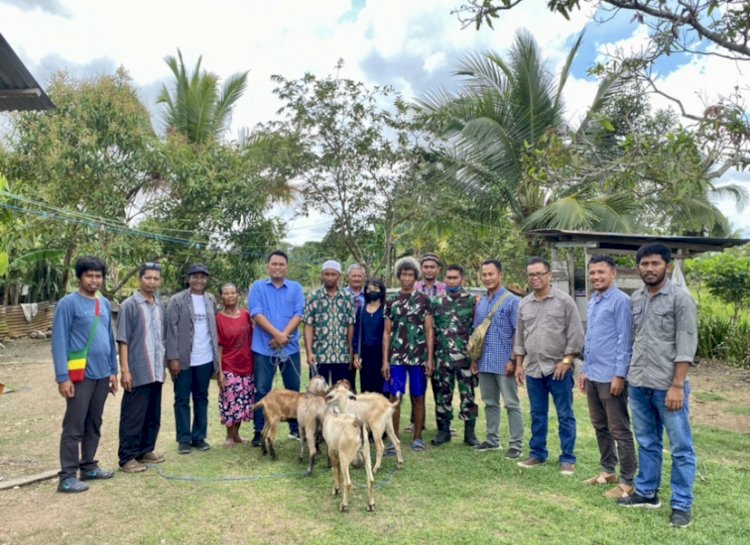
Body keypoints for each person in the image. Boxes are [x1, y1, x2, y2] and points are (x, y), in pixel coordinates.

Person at [617, 244, 698, 529]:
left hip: (668, 386)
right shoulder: (636, 299)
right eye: (644, 264)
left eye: (655, 263)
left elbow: (686, 346)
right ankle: (647, 493)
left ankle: (681, 505)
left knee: (680, 448)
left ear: (666, 265)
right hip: (639, 384)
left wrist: (677, 385)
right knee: (648, 442)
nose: (649, 269)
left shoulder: (680, 299)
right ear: (638, 267)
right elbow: (633, 340)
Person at [51, 256, 118, 493]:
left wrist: (113, 371)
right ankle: (67, 476)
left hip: (102, 375)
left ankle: (88, 465)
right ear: (80, 277)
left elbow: (109, 338)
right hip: (80, 376)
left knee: (94, 422)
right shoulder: (68, 304)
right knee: (74, 425)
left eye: (98, 276)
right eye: (89, 275)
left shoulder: (104, 303)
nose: (94, 280)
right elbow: (58, 341)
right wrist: (62, 377)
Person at [515, 256, 584, 475]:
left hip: (558, 369)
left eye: (539, 274)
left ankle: (568, 457)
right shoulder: (525, 303)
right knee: (537, 413)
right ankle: (537, 454)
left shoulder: (564, 301)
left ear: (549, 276)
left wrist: (567, 361)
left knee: (565, 414)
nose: (535, 278)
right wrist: (519, 364)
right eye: (531, 275)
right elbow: (519, 338)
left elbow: (576, 335)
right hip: (533, 368)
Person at [579, 255, 636, 499]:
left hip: (611, 376)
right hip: (593, 373)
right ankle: (607, 470)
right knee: (600, 425)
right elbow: (591, 338)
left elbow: (625, 340)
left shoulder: (621, 301)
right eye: (592, 273)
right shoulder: (593, 301)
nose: (596, 277)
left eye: (601, 272)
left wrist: (620, 375)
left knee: (619, 429)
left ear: (613, 274)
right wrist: (584, 370)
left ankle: (627, 481)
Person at [248, 250, 305, 446]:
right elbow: (256, 313)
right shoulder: (258, 287)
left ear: (286, 267)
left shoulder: (296, 288)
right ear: (268, 266)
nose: (278, 267)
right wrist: (277, 335)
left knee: (293, 390)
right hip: (264, 349)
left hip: (290, 349)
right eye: (274, 264)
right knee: (262, 389)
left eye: (281, 264)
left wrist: (283, 336)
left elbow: (299, 314)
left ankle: (296, 429)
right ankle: (259, 432)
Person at [116, 262, 167, 473]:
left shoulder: (160, 306)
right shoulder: (130, 305)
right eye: (148, 278)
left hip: (156, 369)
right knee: (133, 415)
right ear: (140, 280)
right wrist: (125, 370)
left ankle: (146, 450)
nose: (152, 282)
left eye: (156, 278)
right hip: (137, 369)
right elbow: (123, 340)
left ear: (160, 281)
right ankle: (127, 457)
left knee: (152, 414)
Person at [166, 263, 219, 455]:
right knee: (181, 399)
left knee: (201, 398)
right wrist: (173, 358)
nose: (199, 280)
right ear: (188, 279)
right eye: (195, 277)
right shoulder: (177, 300)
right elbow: (170, 330)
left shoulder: (210, 299)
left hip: (204, 359)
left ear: (207, 280)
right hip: (183, 360)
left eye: (203, 277)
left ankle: (199, 437)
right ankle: (184, 439)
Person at [382, 257, 434, 452]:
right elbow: (386, 333)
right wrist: (385, 361)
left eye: (410, 274)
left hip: (418, 358)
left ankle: (418, 437)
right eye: (403, 274)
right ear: (398, 276)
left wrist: (429, 358)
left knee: (418, 396)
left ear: (415, 277)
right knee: (395, 397)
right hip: (396, 359)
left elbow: (429, 330)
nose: (406, 278)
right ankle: (393, 440)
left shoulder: (424, 300)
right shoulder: (391, 301)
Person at [472, 259, 523, 458]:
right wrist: (474, 359)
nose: (487, 278)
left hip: (504, 361)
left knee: (511, 403)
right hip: (485, 360)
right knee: (490, 402)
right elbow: (477, 332)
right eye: (484, 275)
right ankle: (493, 440)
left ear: (500, 275)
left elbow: (518, 333)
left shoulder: (512, 301)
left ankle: (516, 445)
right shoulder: (482, 301)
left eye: (491, 274)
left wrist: (513, 360)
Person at [430, 265, 479, 447]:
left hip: (465, 358)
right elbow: (432, 331)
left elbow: (476, 330)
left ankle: (470, 433)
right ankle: (443, 431)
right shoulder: (436, 302)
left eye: (455, 278)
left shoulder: (472, 301)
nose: (452, 281)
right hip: (442, 357)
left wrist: (475, 359)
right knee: (443, 395)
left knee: (468, 396)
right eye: (449, 278)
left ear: (462, 279)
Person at [304, 260, 356, 386]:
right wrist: (309, 352)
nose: (329, 277)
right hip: (319, 355)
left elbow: (350, 326)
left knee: (341, 394)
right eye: (326, 274)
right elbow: (308, 326)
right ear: (322, 275)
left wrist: (350, 351)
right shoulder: (313, 297)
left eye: (333, 274)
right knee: (318, 397)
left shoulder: (348, 297)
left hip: (341, 355)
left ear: (339, 276)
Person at [216, 283, 255, 448]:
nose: (230, 296)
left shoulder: (246, 315)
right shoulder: (218, 318)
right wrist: (220, 371)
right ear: (221, 297)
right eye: (226, 293)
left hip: (247, 364)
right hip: (229, 365)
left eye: (233, 293)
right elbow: (219, 346)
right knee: (229, 401)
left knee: (243, 401)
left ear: (238, 295)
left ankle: (237, 435)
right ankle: (229, 436)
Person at [353, 278, 387, 395]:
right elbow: (357, 333)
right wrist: (356, 354)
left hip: (381, 353)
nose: (372, 290)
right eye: (369, 288)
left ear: (381, 291)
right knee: (366, 389)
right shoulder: (361, 310)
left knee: (382, 389)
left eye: (376, 288)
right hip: (365, 354)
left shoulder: (386, 310)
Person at [345, 264, 366, 391]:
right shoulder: (341, 295)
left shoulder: (369, 295)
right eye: (354, 276)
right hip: (346, 341)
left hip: (364, 341)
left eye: (359, 276)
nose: (357, 278)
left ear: (363, 277)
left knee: (367, 381)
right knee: (348, 383)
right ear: (348, 277)